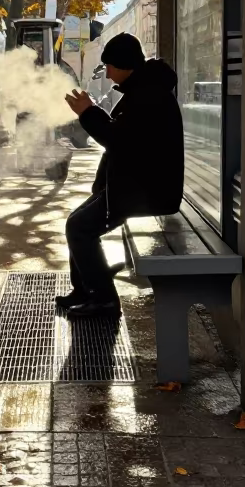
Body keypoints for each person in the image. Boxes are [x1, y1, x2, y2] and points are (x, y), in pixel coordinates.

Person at [61, 33, 184, 319]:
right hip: (136, 185)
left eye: (110, 66)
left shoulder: (148, 95)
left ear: (124, 64)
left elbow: (118, 140)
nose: (107, 72)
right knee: (77, 224)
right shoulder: (145, 89)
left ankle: (103, 300)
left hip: (144, 190)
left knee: (80, 228)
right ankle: (87, 290)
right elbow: (125, 137)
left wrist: (88, 113)